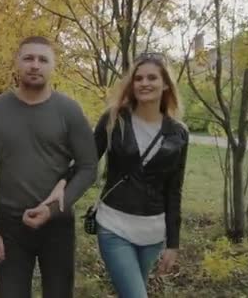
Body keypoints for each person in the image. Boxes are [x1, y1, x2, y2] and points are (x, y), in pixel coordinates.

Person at [42, 52, 189, 298]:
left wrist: (173, 243)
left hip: (152, 233)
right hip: (114, 225)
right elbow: (86, 161)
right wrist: (63, 182)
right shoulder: (114, 119)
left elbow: (174, 190)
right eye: (138, 78)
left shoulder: (178, 133)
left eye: (152, 77)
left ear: (165, 84)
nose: (144, 83)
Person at [0, 36, 98, 298]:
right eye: (28, 58)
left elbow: (88, 167)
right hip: (10, 226)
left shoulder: (69, 111)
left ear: (52, 66)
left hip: (58, 226)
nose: (35, 65)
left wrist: (53, 209)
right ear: (17, 63)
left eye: (43, 59)